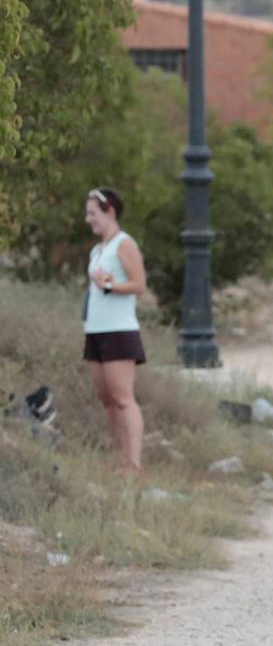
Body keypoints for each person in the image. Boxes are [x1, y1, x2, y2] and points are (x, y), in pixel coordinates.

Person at [83, 187, 148, 475]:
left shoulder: (125, 244)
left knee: (123, 398)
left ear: (109, 211)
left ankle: (134, 464)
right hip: (95, 331)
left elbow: (139, 284)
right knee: (107, 398)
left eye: (92, 213)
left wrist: (110, 286)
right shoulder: (98, 250)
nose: (88, 220)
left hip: (119, 331)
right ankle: (121, 459)